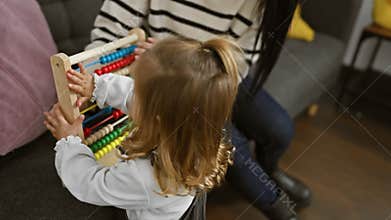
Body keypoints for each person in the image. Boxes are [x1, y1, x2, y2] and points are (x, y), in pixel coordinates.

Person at [86, 0, 311, 219]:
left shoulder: (262, 5)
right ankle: (277, 205)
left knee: (279, 128)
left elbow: (241, 60)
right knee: (232, 145)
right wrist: (92, 79)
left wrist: (193, 67)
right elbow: (111, 28)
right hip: (166, 77)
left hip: (223, 75)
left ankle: (270, 170)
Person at [44, 37, 243, 220]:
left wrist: (69, 142)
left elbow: (89, 184)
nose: (132, 90)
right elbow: (133, 96)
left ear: (155, 118)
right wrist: (97, 86)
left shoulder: (147, 178)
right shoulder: (194, 133)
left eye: (138, 88)